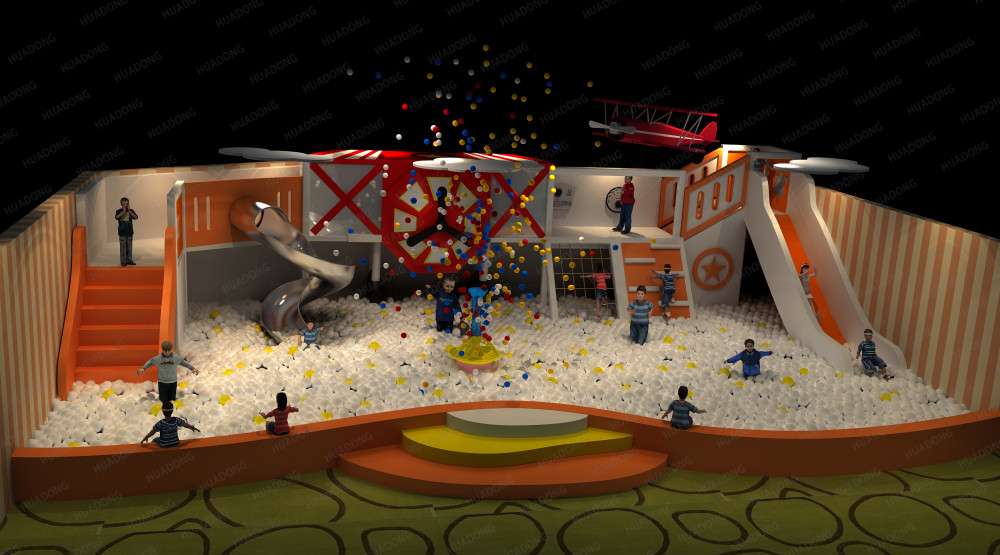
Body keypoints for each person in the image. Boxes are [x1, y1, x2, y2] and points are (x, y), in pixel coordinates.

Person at [115, 197, 138, 266]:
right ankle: (123, 261)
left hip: (130, 231)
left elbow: (136, 217)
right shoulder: (118, 211)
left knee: (129, 247)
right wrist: (123, 211)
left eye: (127, 204)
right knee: (123, 247)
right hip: (122, 232)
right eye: (124, 204)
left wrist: (129, 211)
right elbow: (117, 217)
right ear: (121, 204)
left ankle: (129, 260)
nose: (126, 205)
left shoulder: (131, 211)